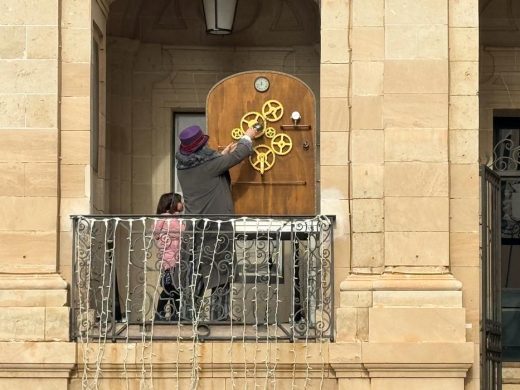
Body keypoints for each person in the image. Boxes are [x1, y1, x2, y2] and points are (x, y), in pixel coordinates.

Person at [174, 124, 257, 320]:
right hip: (216, 229)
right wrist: (248, 136)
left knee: (195, 275)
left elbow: (209, 168)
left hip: (194, 230)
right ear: (202, 146)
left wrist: (221, 157)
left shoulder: (182, 168)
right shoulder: (209, 165)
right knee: (221, 274)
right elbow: (242, 153)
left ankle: (187, 318)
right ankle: (219, 318)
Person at [153, 192, 184, 321]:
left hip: (178, 258)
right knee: (169, 288)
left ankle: (175, 315)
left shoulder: (178, 218)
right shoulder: (165, 217)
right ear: (172, 203)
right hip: (169, 259)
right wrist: (164, 240)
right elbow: (155, 232)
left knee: (175, 289)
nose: (182, 204)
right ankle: (160, 315)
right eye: (179, 201)